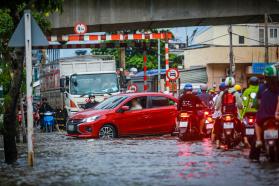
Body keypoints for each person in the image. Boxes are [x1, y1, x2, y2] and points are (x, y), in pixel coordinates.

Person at [214, 77, 243, 148]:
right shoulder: (236, 93)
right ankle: (243, 141)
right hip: (234, 114)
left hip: (223, 114)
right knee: (241, 125)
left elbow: (217, 106)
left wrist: (217, 109)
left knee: (216, 125)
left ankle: (217, 142)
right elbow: (240, 105)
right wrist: (241, 107)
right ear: (233, 84)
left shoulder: (221, 93)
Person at [255, 65, 279, 149]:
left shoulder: (261, 87)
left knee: (257, 123)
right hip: (276, 116)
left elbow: (257, 102)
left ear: (265, 76)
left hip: (263, 116)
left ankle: (258, 140)